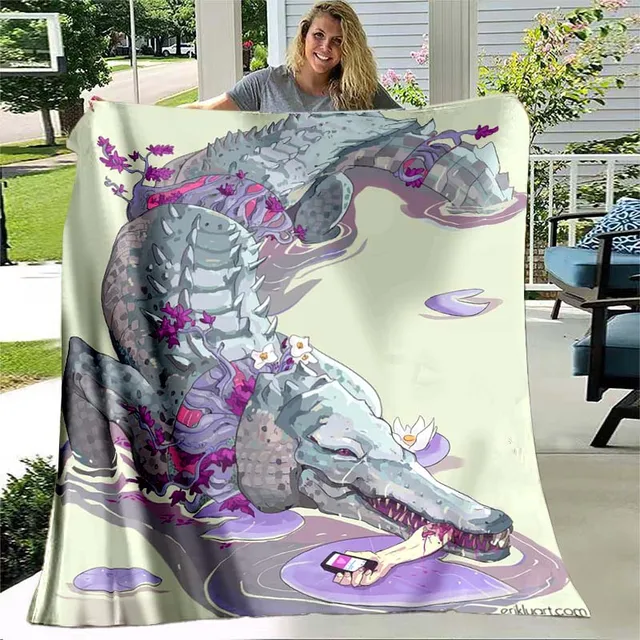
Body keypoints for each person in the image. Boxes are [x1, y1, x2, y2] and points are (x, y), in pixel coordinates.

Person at [91, 0, 400, 114]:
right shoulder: (266, 84)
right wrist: (120, 113)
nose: (325, 47)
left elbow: (413, 125)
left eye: (338, 41)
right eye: (319, 35)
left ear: (348, 48)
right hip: (273, 215)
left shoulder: (361, 91)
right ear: (305, 35)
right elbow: (201, 111)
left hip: (339, 215)